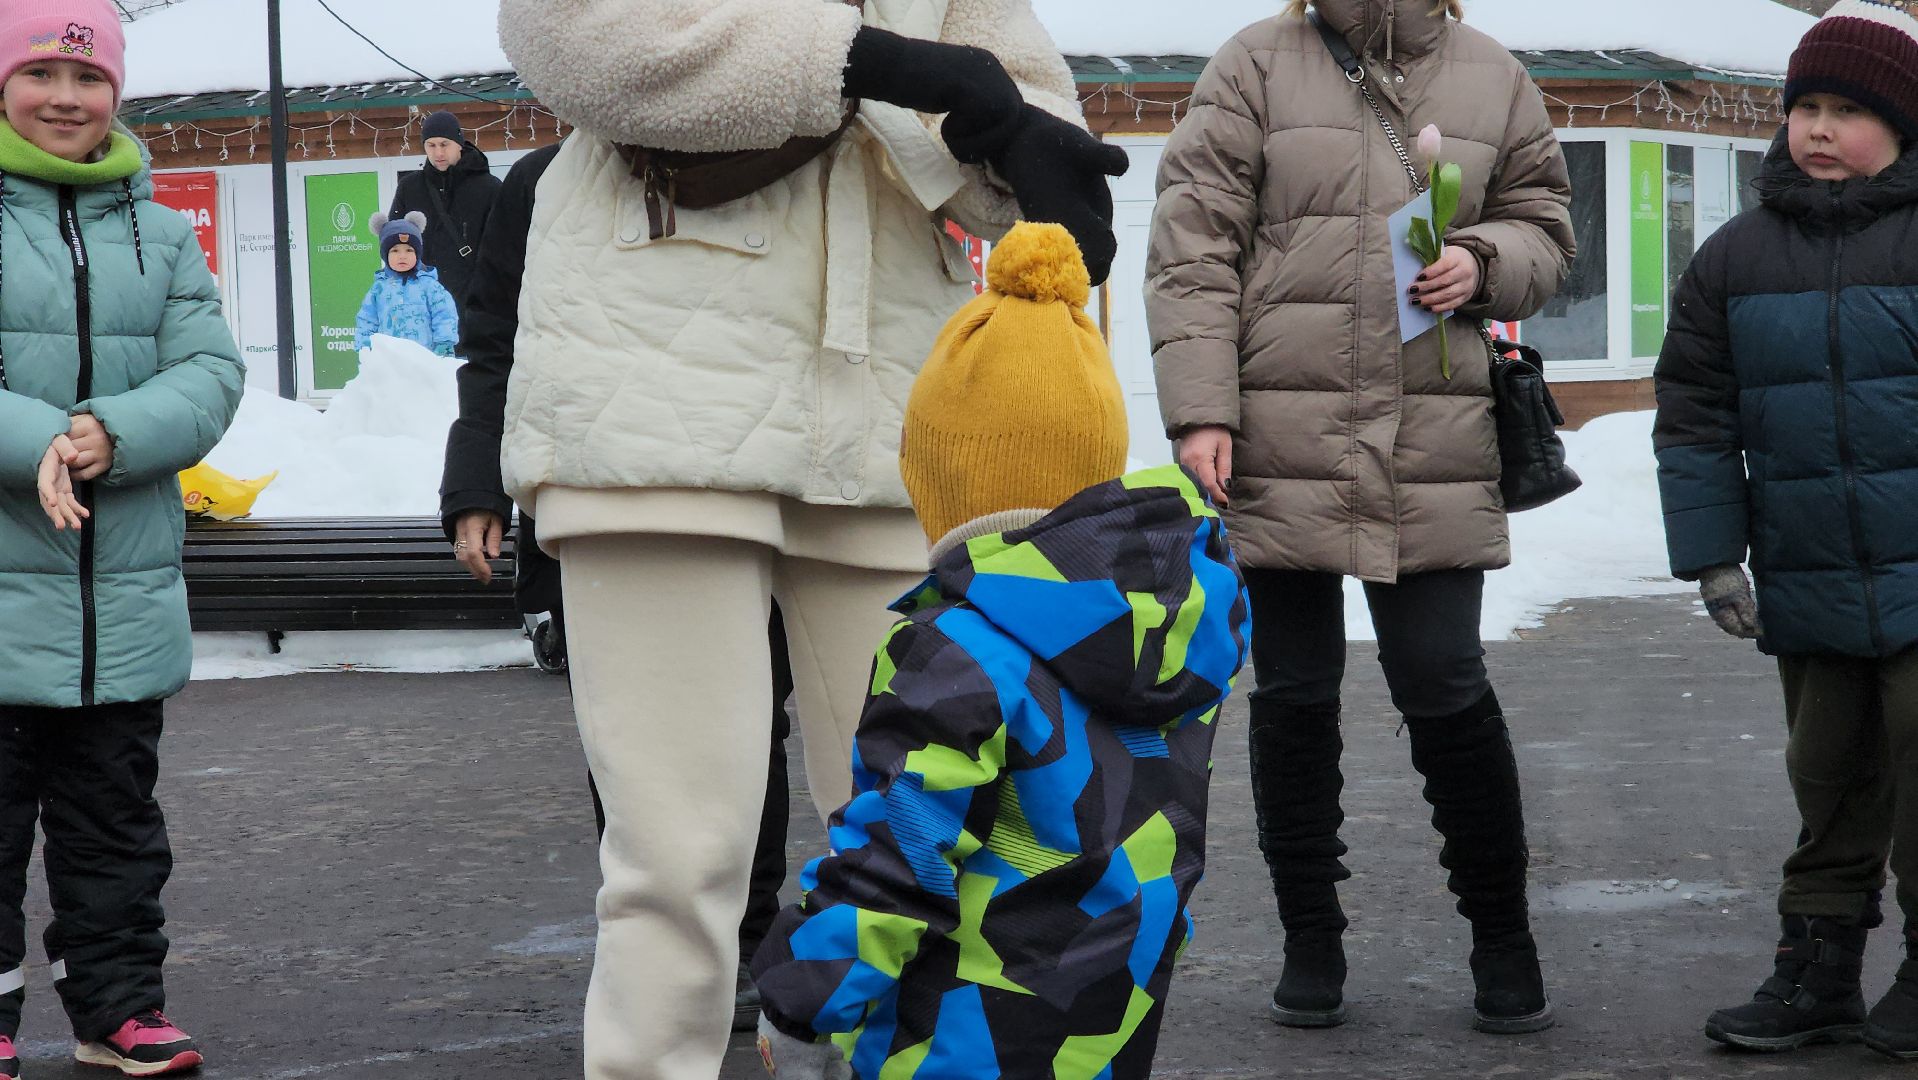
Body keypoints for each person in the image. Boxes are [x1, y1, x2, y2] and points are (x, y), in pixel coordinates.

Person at [494, 1, 1127, 1075]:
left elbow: (1008, 74)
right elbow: (571, 32)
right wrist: (885, 63)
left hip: (883, 403)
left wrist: (1016, 144)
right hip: (654, 392)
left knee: (923, 843)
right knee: (677, 859)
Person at [1145, 0, 1575, 1035]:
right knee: (1294, 692)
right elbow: (1194, 245)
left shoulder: (1492, 74)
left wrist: (1485, 261)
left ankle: (1502, 935)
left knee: (1444, 683)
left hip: (1434, 437)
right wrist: (1201, 410)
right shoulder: (1254, 64)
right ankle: (1311, 938)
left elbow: (1548, 232)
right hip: (1278, 429)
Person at [752, 222, 1249, 1080]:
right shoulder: (1174, 622)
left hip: (955, 1037)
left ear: (942, 481)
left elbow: (896, 860)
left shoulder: (953, 648)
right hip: (1107, 1030)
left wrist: (801, 1001)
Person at [437, 140, 800, 1033]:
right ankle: (663, 952)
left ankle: (742, 940)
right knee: (633, 744)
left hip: (753, 485)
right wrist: (477, 483)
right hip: (597, 496)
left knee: (751, 728)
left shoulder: (771, 158)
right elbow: (497, 343)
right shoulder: (543, 182)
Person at [1653, 0, 1918, 1060]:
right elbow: (1694, 416)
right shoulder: (1735, 257)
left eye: (1847, 111)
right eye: (1805, 107)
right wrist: (1713, 557)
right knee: (1829, 773)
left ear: (1900, 127)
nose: (1818, 128)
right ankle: (1818, 968)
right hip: (1808, 571)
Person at [0, 2, 245, 1076]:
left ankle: (119, 1010)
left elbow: (211, 371)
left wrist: (116, 432)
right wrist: (41, 442)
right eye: (40, 72)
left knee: (115, 833)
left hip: (123, 608)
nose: (66, 97)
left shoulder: (163, 228)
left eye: (88, 76)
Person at [388, 109, 501, 314]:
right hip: (423, 307)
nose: (438, 153)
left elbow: (504, 247)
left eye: (444, 144)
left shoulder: (489, 188)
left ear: (459, 144)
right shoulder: (410, 188)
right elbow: (393, 244)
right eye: (431, 145)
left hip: (477, 305)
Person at [353, 211, 460, 356]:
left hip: (426, 357)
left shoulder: (429, 286)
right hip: (390, 359)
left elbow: (444, 314)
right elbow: (367, 320)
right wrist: (365, 346)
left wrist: (445, 342)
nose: (402, 256)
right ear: (385, 255)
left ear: (417, 254)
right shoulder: (378, 289)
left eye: (409, 250)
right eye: (395, 251)